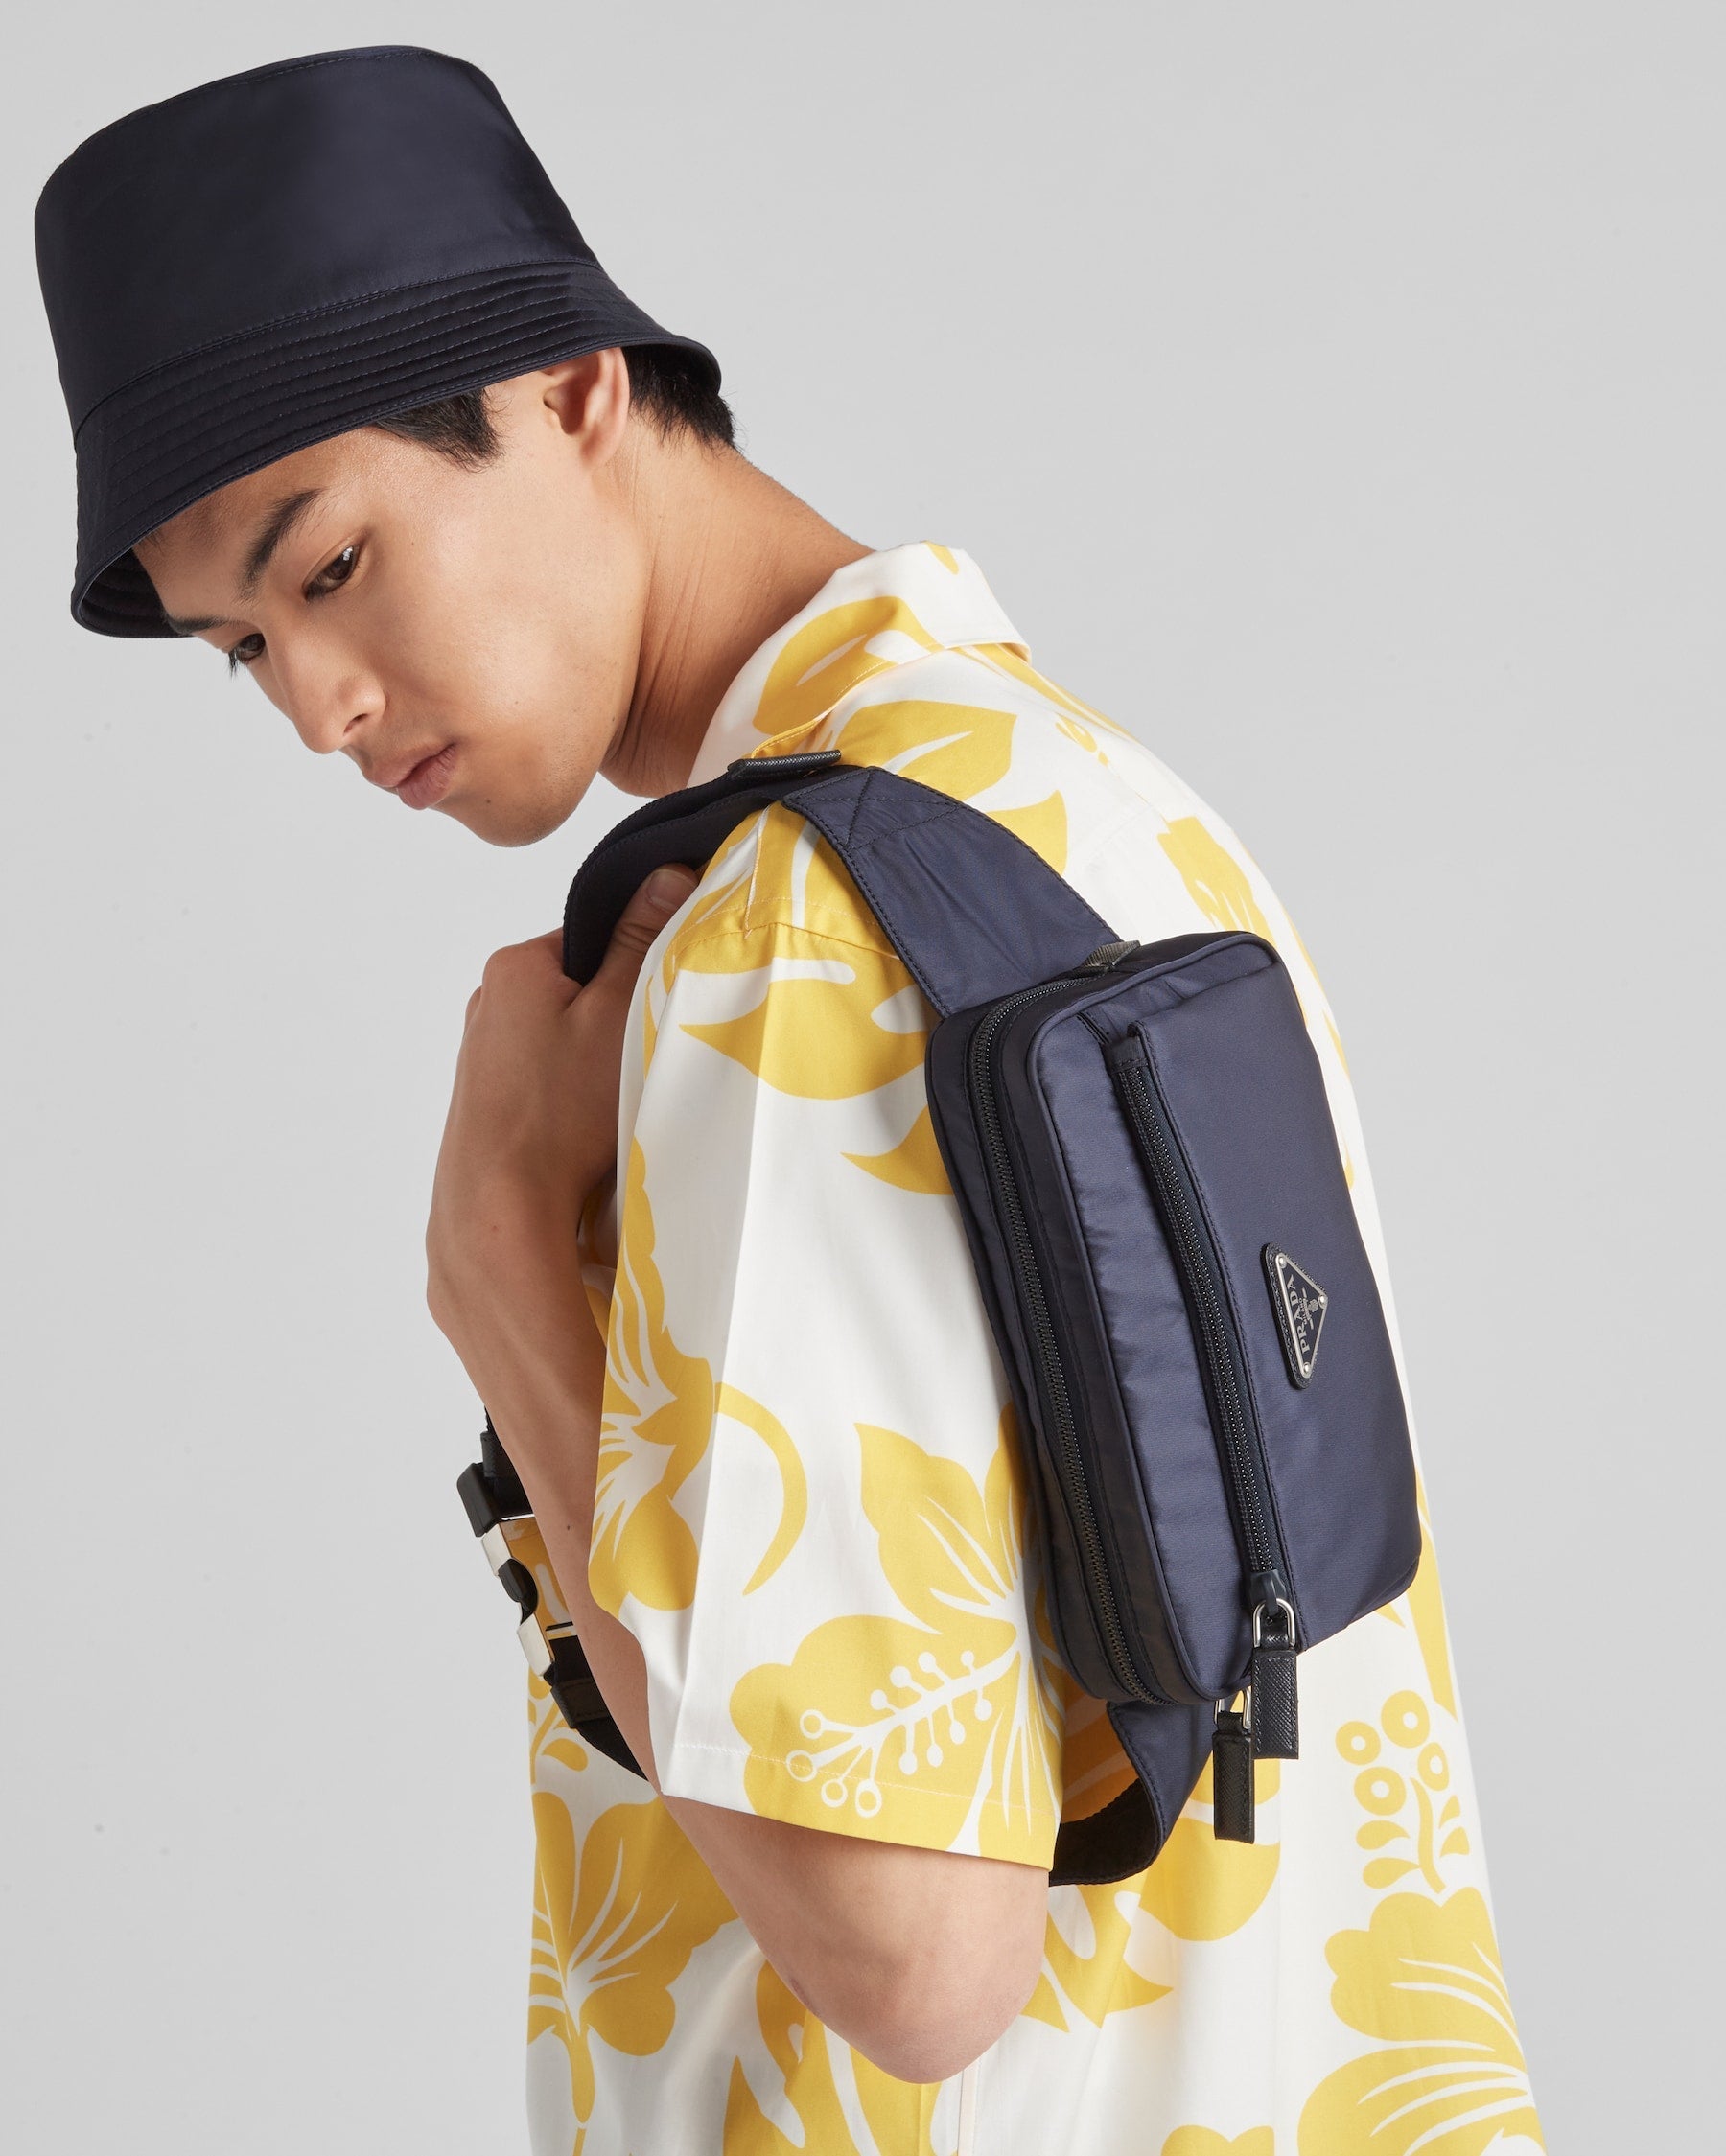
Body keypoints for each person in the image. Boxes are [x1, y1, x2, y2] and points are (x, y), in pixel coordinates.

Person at [35, 43, 1544, 2156]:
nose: (314, 708)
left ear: (574, 389)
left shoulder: (786, 935)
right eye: (239, 648)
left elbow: (913, 1961)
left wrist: (499, 1272)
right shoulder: (1088, 803)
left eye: (333, 566)